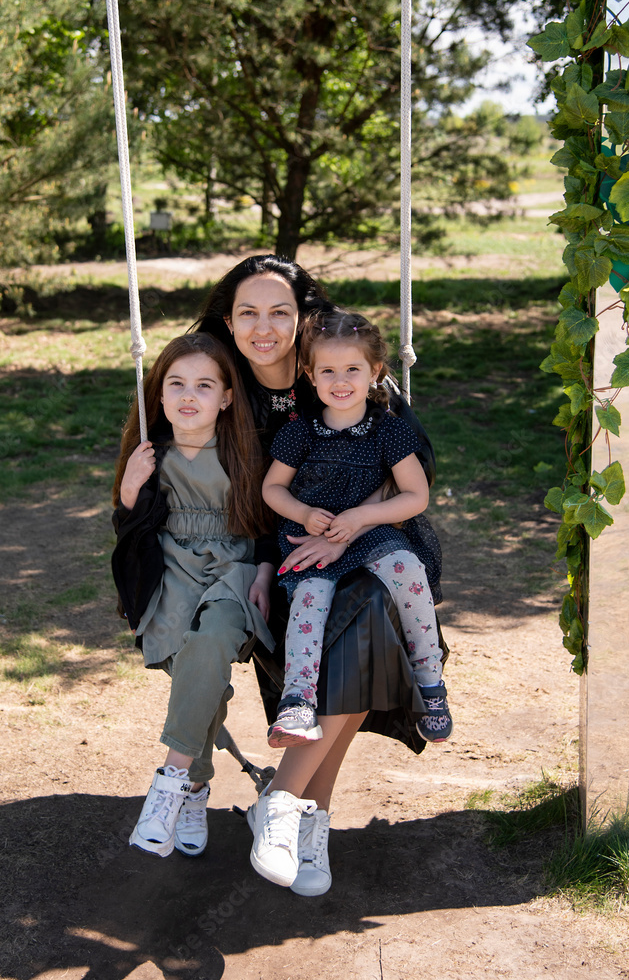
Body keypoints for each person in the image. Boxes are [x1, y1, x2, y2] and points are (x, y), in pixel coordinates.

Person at [190, 255, 449, 897]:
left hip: (370, 544)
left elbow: (415, 472)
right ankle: (308, 817)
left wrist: (351, 527)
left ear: (304, 319)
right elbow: (216, 484)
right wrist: (261, 556)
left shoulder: (344, 373)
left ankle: (285, 806)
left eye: (281, 311)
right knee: (348, 640)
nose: (265, 327)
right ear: (230, 320)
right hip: (281, 557)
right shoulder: (222, 389)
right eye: (248, 312)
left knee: (369, 620)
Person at [111, 333, 275, 859]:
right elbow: (130, 532)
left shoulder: (244, 452)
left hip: (233, 570)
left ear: (227, 397)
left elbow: (272, 523)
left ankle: (171, 782)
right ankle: (197, 789)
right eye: (176, 384)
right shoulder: (150, 455)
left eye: (205, 385)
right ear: (158, 395)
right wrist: (130, 492)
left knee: (212, 644)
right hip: (172, 570)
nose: (188, 395)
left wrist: (265, 572)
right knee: (194, 673)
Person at [262, 307, 450, 749]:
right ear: (310, 375)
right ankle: (298, 700)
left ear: (376, 372)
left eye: (352, 369)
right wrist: (306, 513)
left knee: (406, 568)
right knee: (310, 598)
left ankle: (430, 681)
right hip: (312, 536)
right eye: (327, 370)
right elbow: (272, 489)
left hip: (369, 534)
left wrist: (360, 518)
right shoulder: (299, 433)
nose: (340, 381)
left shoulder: (390, 432)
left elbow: (415, 496)